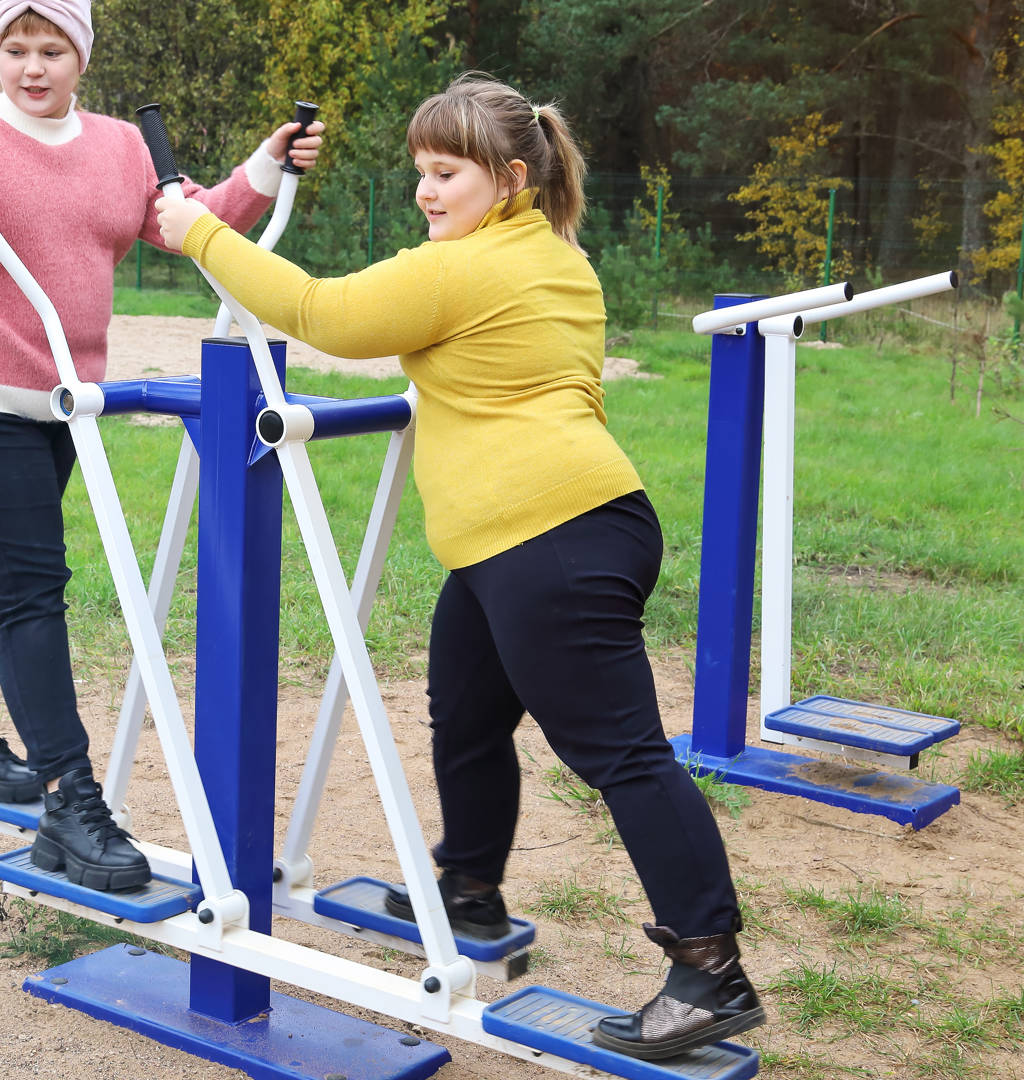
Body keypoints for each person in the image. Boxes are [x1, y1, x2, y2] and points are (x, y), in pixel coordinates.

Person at [154, 74, 761, 1059]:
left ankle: (710, 970)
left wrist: (197, 229)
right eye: (422, 173)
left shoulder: (471, 268)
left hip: (550, 539)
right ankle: (468, 887)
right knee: (466, 712)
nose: (428, 192)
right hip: (530, 538)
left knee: (623, 755)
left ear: (511, 177)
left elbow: (324, 313)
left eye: (449, 173)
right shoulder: (552, 254)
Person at [0, 0, 325, 893]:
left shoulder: (117, 145)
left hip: (59, 398)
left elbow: (190, 222)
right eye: (16, 49)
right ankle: (72, 800)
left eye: (53, 49)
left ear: (81, 57)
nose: (33, 67)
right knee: (31, 583)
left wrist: (265, 166)